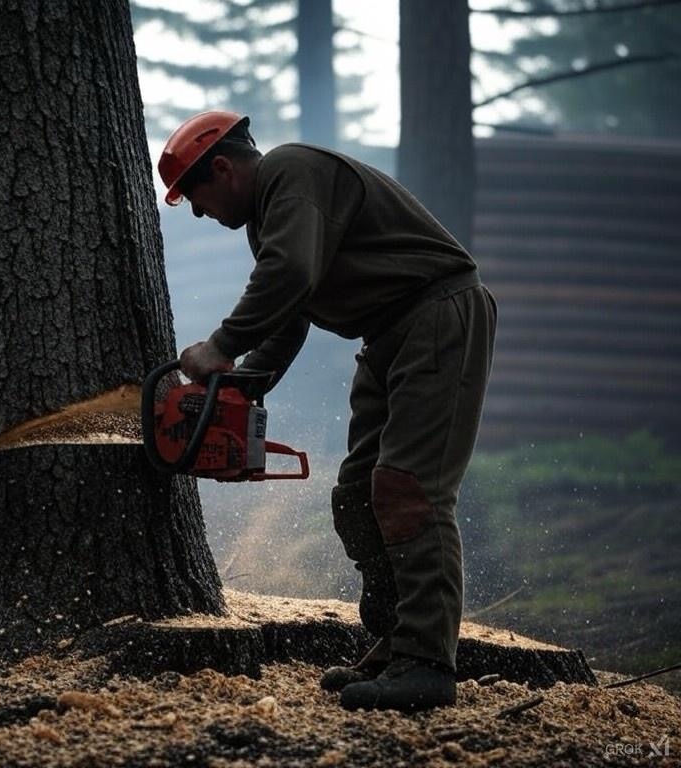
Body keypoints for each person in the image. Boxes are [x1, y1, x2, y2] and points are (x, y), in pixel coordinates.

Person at [158, 111, 497, 712]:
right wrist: (241, 386)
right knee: (359, 492)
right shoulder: (270, 220)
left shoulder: (292, 172)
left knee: (407, 487)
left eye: (197, 200)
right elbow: (290, 314)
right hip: (387, 334)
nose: (201, 214)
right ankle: (396, 646)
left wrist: (219, 346)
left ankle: (427, 664)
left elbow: (290, 276)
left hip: (437, 316)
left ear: (222, 168)